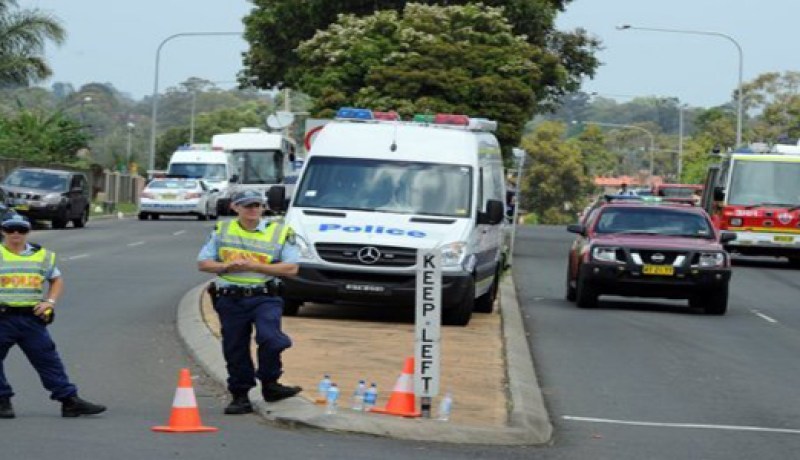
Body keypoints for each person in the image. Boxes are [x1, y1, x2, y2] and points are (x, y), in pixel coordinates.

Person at [197, 189, 302, 415]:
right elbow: (203, 263)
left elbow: (292, 268)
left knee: (272, 339)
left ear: (263, 207)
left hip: (265, 296)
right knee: (235, 348)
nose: (253, 209)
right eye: (247, 205)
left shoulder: (280, 232)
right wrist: (226, 267)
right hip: (230, 299)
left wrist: (255, 266)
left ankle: (270, 383)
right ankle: (240, 395)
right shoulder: (222, 230)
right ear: (235, 207)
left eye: (257, 205)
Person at [0, 214, 106, 419]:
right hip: (2, 318)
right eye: (10, 229)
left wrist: (49, 302)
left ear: (28, 231)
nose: (15, 234)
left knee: (48, 360)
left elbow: (56, 280)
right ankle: (2, 400)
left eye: (21, 230)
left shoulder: (42, 256)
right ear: (3, 230)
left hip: (31, 319)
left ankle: (69, 401)